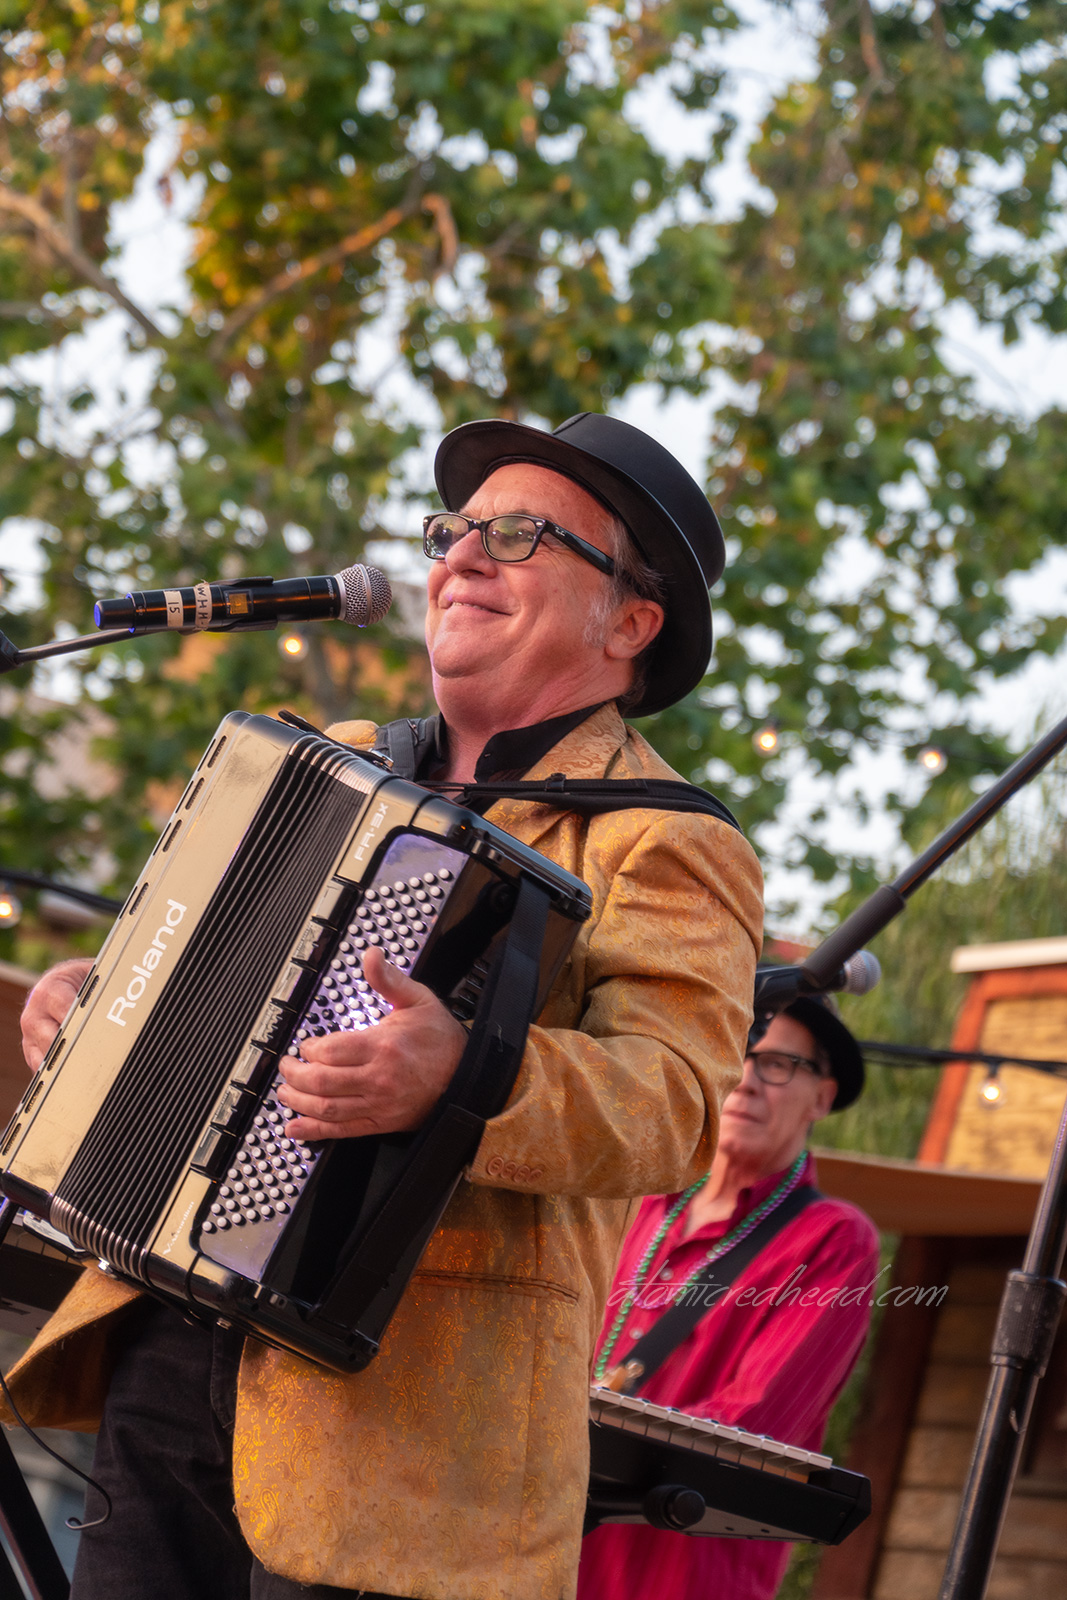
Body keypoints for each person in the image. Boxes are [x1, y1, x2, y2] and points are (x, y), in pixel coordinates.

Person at [7, 412, 763, 1600]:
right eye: (453, 529)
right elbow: (177, 978)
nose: (461, 554)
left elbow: (669, 1105)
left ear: (629, 619)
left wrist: (465, 1073)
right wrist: (88, 1007)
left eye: (517, 533)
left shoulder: (664, 837)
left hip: (406, 1430)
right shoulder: (329, 754)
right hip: (165, 1340)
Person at [578, 995, 880, 1600]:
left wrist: (566, 1432)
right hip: (547, 1553)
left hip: (679, 1577)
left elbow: (755, 1426)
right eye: (737, 1055)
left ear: (822, 1097)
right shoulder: (632, 1198)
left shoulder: (834, 1240)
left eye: (777, 1064)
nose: (745, 1080)